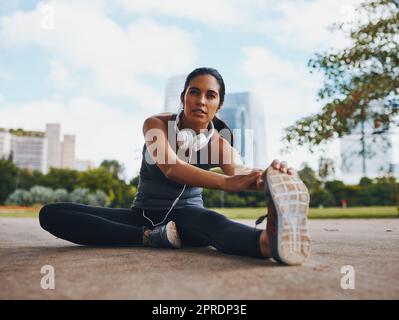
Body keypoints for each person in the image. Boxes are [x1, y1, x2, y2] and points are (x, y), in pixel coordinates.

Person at [39, 67, 310, 265]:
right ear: (183, 98)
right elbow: (170, 167)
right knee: (52, 213)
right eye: (195, 92)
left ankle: (268, 242)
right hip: (142, 215)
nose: (201, 100)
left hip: (187, 220)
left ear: (219, 105)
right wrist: (226, 183)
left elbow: (240, 172)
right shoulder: (155, 125)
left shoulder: (219, 143)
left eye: (210, 95)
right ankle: (148, 237)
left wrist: (268, 176)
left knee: (215, 223)